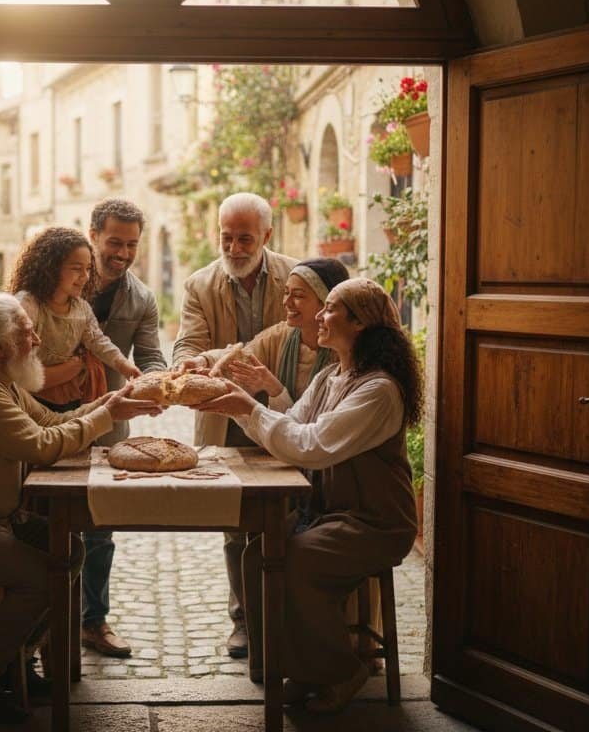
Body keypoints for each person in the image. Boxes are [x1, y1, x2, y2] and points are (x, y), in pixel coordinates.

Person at [0, 293, 161, 724]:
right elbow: (43, 446)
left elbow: (48, 421)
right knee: (43, 576)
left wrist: (112, 404)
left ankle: (11, 659)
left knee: (70, 550)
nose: (37, 339)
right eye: (26, 332)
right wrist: (106, 416)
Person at [193, 278, 423, 714]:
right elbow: (293, 423)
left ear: (359, 323)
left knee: (293, 558)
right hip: (332, 516)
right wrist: (241, 403)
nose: (319, 315)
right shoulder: (332, 377)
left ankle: (340, 670)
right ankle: (295, 669)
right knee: (257, 553)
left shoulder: (378, 390)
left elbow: (310, 446)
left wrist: (247, 407)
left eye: (330, 307)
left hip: (376, 522)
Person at [170, 191, 297, 658]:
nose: (236, 248)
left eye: (246, 238)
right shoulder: (200, 285)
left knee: (284, 515)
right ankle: (243, 620)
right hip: (223, 419)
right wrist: (189, 368)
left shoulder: (294, 277)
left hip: (282, 410)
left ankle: (281, 616)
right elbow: (187, 343)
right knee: (235, 522)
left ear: (267, 235)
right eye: (227, 237)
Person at [81, 199, 168, 658]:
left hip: (110, 424)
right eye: (115, 242)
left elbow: (151, 355)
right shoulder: (63, 276)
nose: (123, 253)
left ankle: (93, 622)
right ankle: (41, 626)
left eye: (131, 245)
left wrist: (156, 383)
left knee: (100, 525)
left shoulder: (143, 298)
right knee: (40, 519)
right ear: (93, 234)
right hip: (49, 414)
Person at [10, 226, 141, 412]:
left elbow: (98, 341)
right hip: (30, 399)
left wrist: (125, 366)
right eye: (76, 269)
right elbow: (12, 358)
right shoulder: (28, 305)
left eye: (88, 269)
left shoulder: (81, 308)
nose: (85, 277)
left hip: (69, 396)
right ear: (51, 268)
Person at [191, 257, 349, 411]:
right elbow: (242, 357)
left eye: (299, 295)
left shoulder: (344, 352)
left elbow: (316, 427)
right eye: (286, 293)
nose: (287, 302)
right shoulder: (279, 336)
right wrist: (203, 361)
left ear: (326, 303)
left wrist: (274, 388)